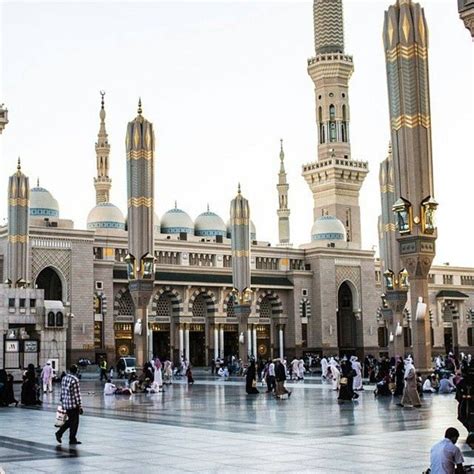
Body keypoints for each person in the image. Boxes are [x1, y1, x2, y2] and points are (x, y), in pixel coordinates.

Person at [55, 365, 83, 445]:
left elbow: (62, 391)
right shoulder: (75, 380)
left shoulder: (64, 378)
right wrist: (80, 405)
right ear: (76, 371)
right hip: (73, 404)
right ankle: (72, 439)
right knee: (75, 422)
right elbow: (76, 394)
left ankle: (59, 433)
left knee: (71, 421)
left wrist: (62, 401)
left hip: (66, 403)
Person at [456, 362, 474, 434]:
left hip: (469, 403)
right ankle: (470, 430)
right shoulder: (462, 382)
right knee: (463, 416)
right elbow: (458, 394)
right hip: (465, 403)